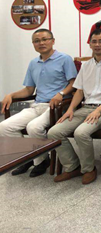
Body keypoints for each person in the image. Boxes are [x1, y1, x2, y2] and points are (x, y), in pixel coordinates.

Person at [47, 29, 101, 184]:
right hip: (84, 108)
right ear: (90, 44)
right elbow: (79, 91)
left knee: (81, 133)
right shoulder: (86, 65)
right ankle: (72, 166)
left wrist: (99, 110)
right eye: (94, 41)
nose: (97, 45)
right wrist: (70, 109)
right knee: (54, 132)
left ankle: (89, 169)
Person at [0, 29, 77, 177]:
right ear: (33, 44)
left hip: (57, 106)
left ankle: (41, 161)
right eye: (37, 41)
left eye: (45, 39)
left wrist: (61, 94)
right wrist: (11, 95)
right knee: (4, 126)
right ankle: (25, 158)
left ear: (53, 41)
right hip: (37, 105)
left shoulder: (64, 59)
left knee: (34, 127)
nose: (41, 43)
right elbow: (29, 90)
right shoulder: (33, 63)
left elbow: (74, 83)